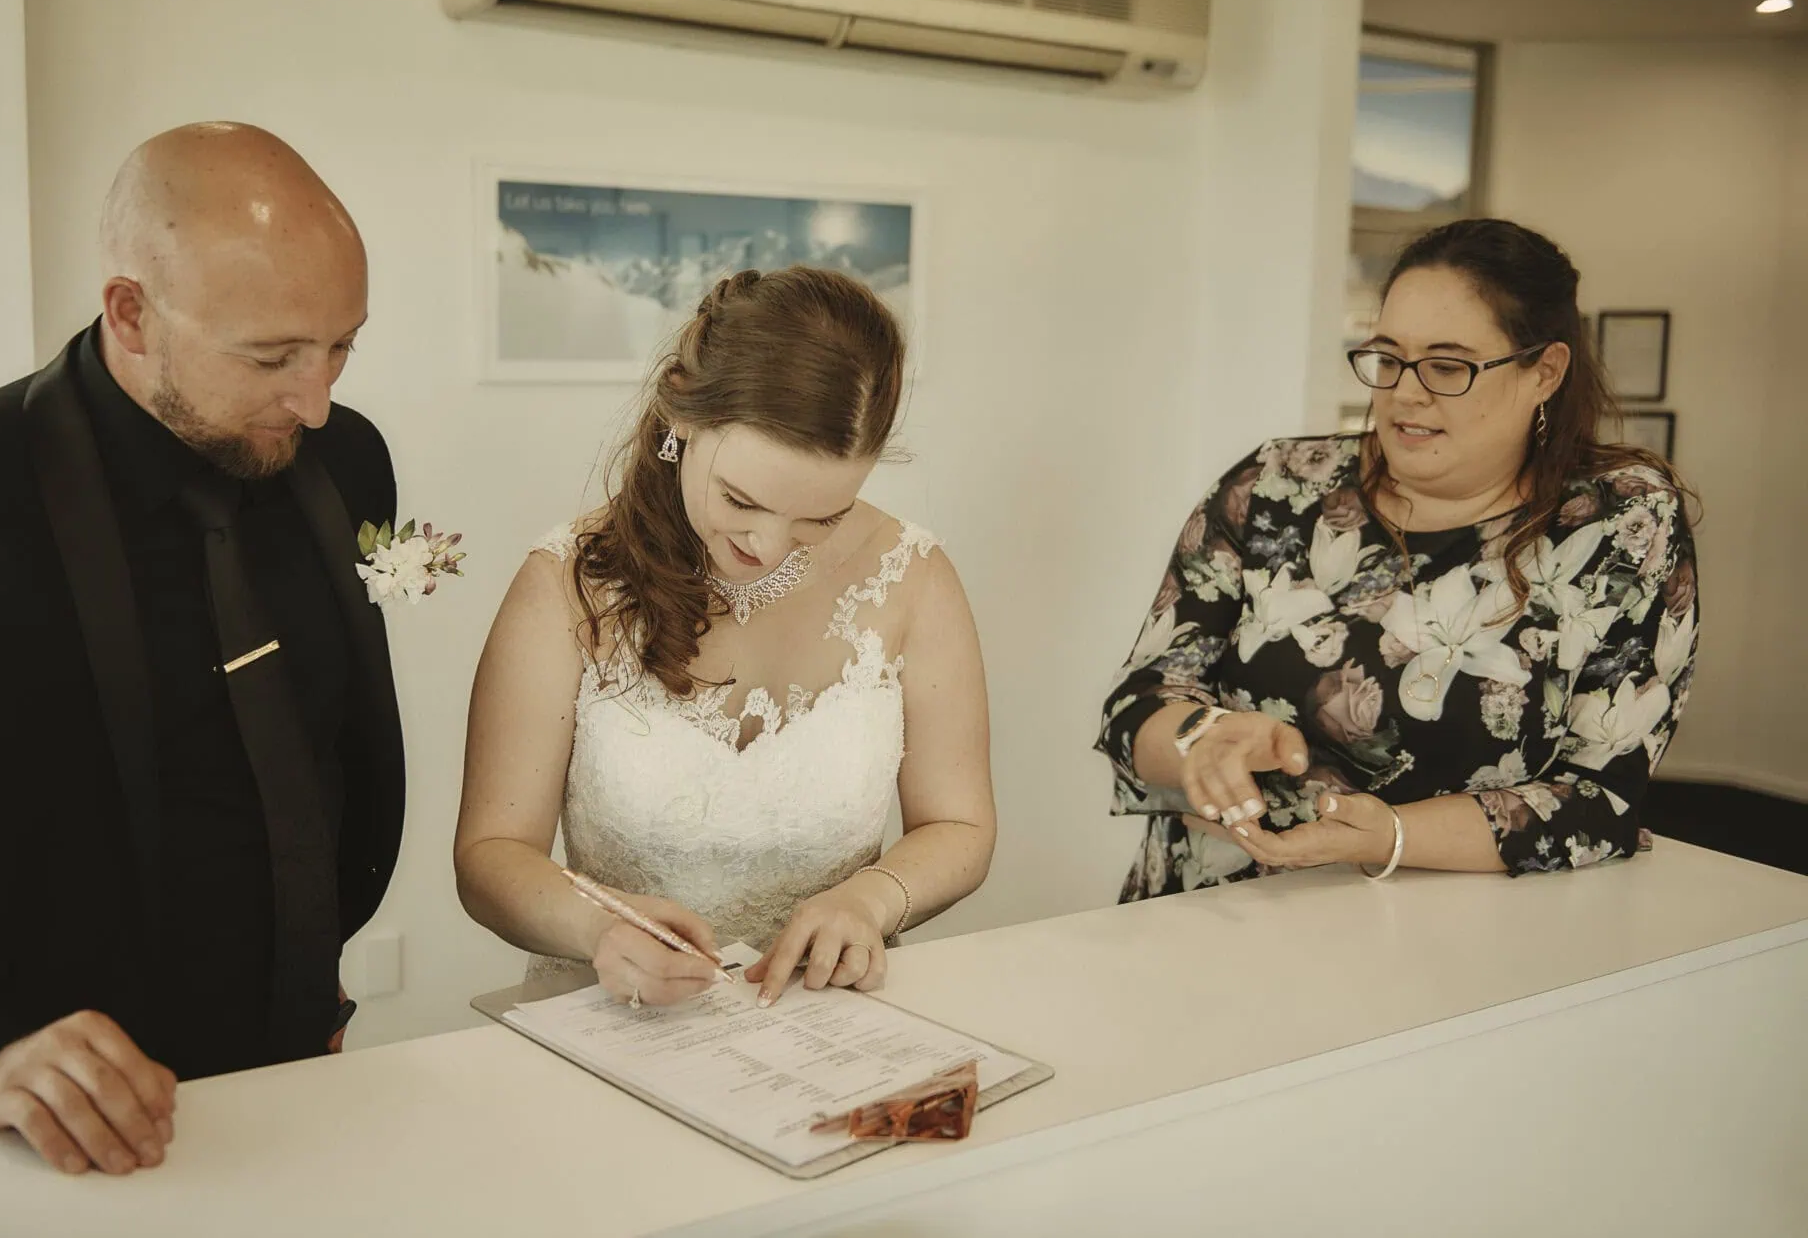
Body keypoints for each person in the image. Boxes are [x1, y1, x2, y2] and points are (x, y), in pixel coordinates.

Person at [0, 123, 405, 1175]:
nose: (317, 397)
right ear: (131, 312)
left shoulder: (347, 465)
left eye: (342, 344)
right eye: (271, 355)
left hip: (297, 1087)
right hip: (36, 1139)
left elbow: (320, 748)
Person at [1096, 218, 1698, 898]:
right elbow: (1140, 699)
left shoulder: (1621, 523)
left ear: (1545, 371)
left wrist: (1392, 835)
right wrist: (1199, 739)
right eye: (1388, 357)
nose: (1406, 392)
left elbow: (1603, 797)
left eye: (1447, 366)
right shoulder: (1275, 485)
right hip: (1209, 910)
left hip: (1444, 929)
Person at [456, 267, 995, 1010]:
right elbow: (488, 856)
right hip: (617, 1019)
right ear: (681, 409)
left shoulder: (914, 577)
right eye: (742, 499)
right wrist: (598, 925)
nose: (769, 544)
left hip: (832, 1021)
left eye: (820, 518)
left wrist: (872, 899)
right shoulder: (565, 586)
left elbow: (961, 824)